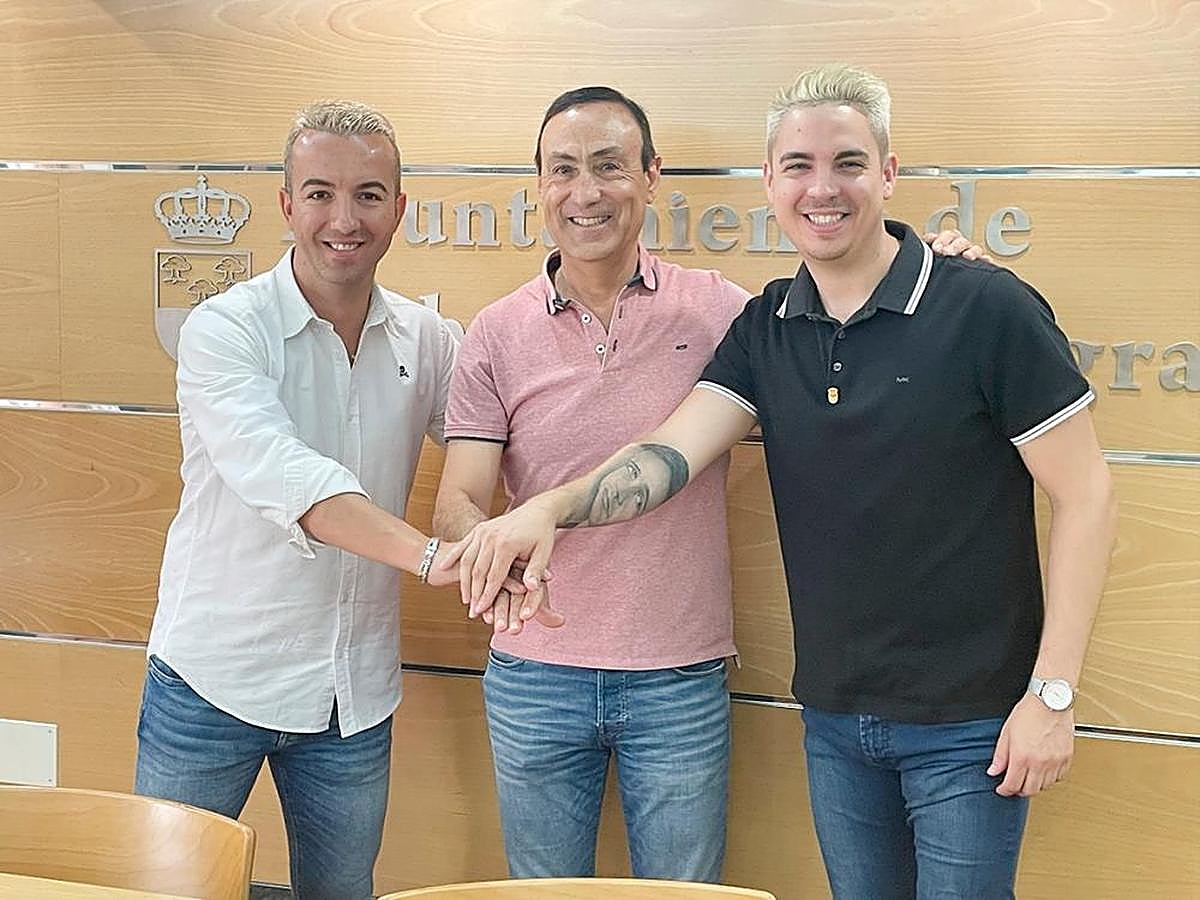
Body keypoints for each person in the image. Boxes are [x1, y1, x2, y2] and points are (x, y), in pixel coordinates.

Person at [451, 66, 1117, 899]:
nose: (822, 187)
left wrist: (1053, 694)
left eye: (847, 162)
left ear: (888, 173)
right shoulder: (765, 326)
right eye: (797, 165)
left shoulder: (986, 308)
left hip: (971, 725)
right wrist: (545, 510)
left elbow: (1086, 497)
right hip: (836, 717)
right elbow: (667, 456)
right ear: (769, 181)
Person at [136, 100, 464, 900]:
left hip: (351, 696)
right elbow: (291, 478)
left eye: (368, 195)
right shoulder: (223, 330)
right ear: (287, 205)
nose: (343, 219)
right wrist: (432, 555)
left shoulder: (429, 339)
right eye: (319, 193)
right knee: (168, 893)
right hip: (213, 682)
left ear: (399, 209)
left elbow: (490, 448)